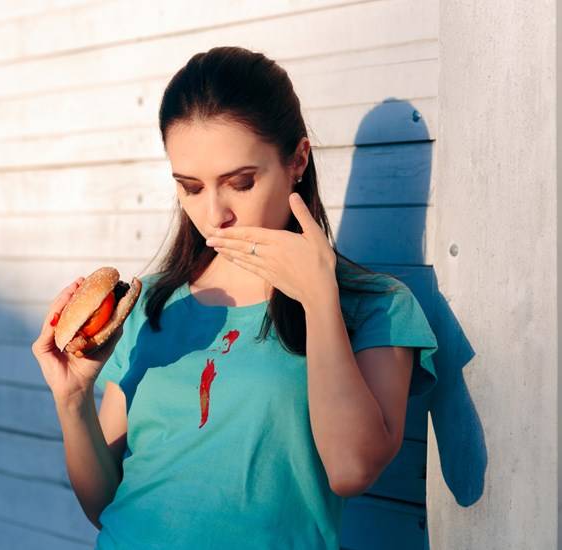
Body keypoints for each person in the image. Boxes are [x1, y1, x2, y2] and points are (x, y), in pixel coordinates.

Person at [32, 46, 439, 550]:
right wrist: (71, 399)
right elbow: (107, 504)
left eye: (240, 182)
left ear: (297, 161)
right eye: (190, 187)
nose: (214, 213)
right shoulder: (155, 304)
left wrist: (318, 298)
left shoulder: (374, 305)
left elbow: (352, 470)